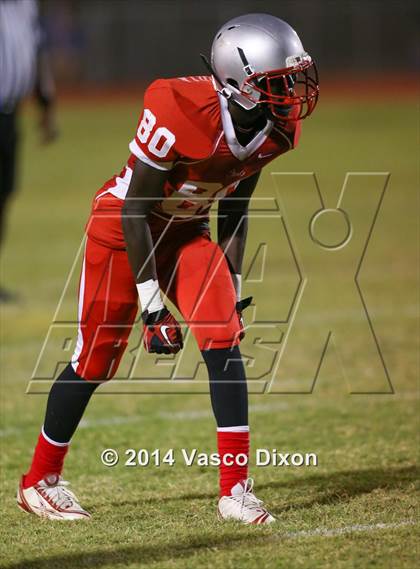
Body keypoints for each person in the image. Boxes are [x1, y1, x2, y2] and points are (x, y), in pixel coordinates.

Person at [17, 13, 319, 524]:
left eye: (292, 78)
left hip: (185, 233)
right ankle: (39, 481)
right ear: (238, 82)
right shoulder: (179, 107)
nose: (290, 92)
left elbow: (237, 204)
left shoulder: (277, 127)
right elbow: (135, 207)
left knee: (225, 334)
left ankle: (235, 491)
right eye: (277, 82)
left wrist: (234, 280)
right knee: (95, 358)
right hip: (123, 231)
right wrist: (153, 306)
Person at [0, 0, 58, 302]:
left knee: (3, 194)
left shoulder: (25, 4)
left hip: (9, 116)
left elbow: (36, 49)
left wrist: (45, 103)